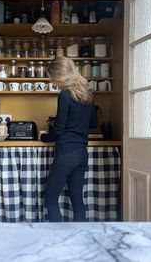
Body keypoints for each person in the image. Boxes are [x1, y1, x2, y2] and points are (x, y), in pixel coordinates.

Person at [41, 56, 97, 222]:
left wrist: (45, 137)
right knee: (77, 200)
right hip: (81, 153)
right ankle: (80, 240)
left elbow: (59, 129)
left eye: (53, 78)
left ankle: (60, 242)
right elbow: (93, 123)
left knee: (50, 199)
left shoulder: (65, 95)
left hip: (66, 153)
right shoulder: (88, 95)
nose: (53, 82)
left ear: (60, 76)